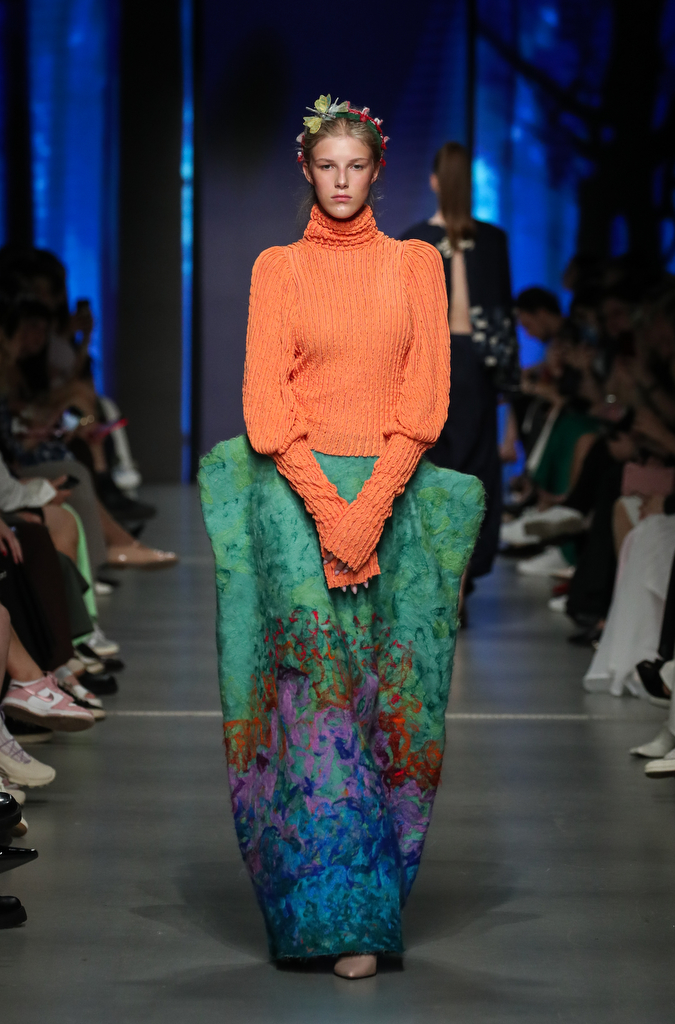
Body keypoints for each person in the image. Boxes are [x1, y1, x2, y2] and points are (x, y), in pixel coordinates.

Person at [199, 97, 483, 979]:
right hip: (296, 500)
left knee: (391, 704)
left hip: (393, 498)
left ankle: (368, 895)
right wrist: (331, 513)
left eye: (357, 166)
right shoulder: (278, 268)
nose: (342, 181)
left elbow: (424, 402)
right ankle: (334, 919)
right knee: (315, 711)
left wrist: (370, 510)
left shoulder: (414, 264)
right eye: (327, 167)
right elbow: (266, 409)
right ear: (307, 169)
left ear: (379, 170)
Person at [401, 142, 513, 581]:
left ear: (434, 181)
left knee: (437, 465)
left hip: (439, 365)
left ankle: (445, 577)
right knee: (473, 466)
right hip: (471, 366)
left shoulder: (414, 240)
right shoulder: (491, 241)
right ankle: (458, 577)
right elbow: (502, 323)